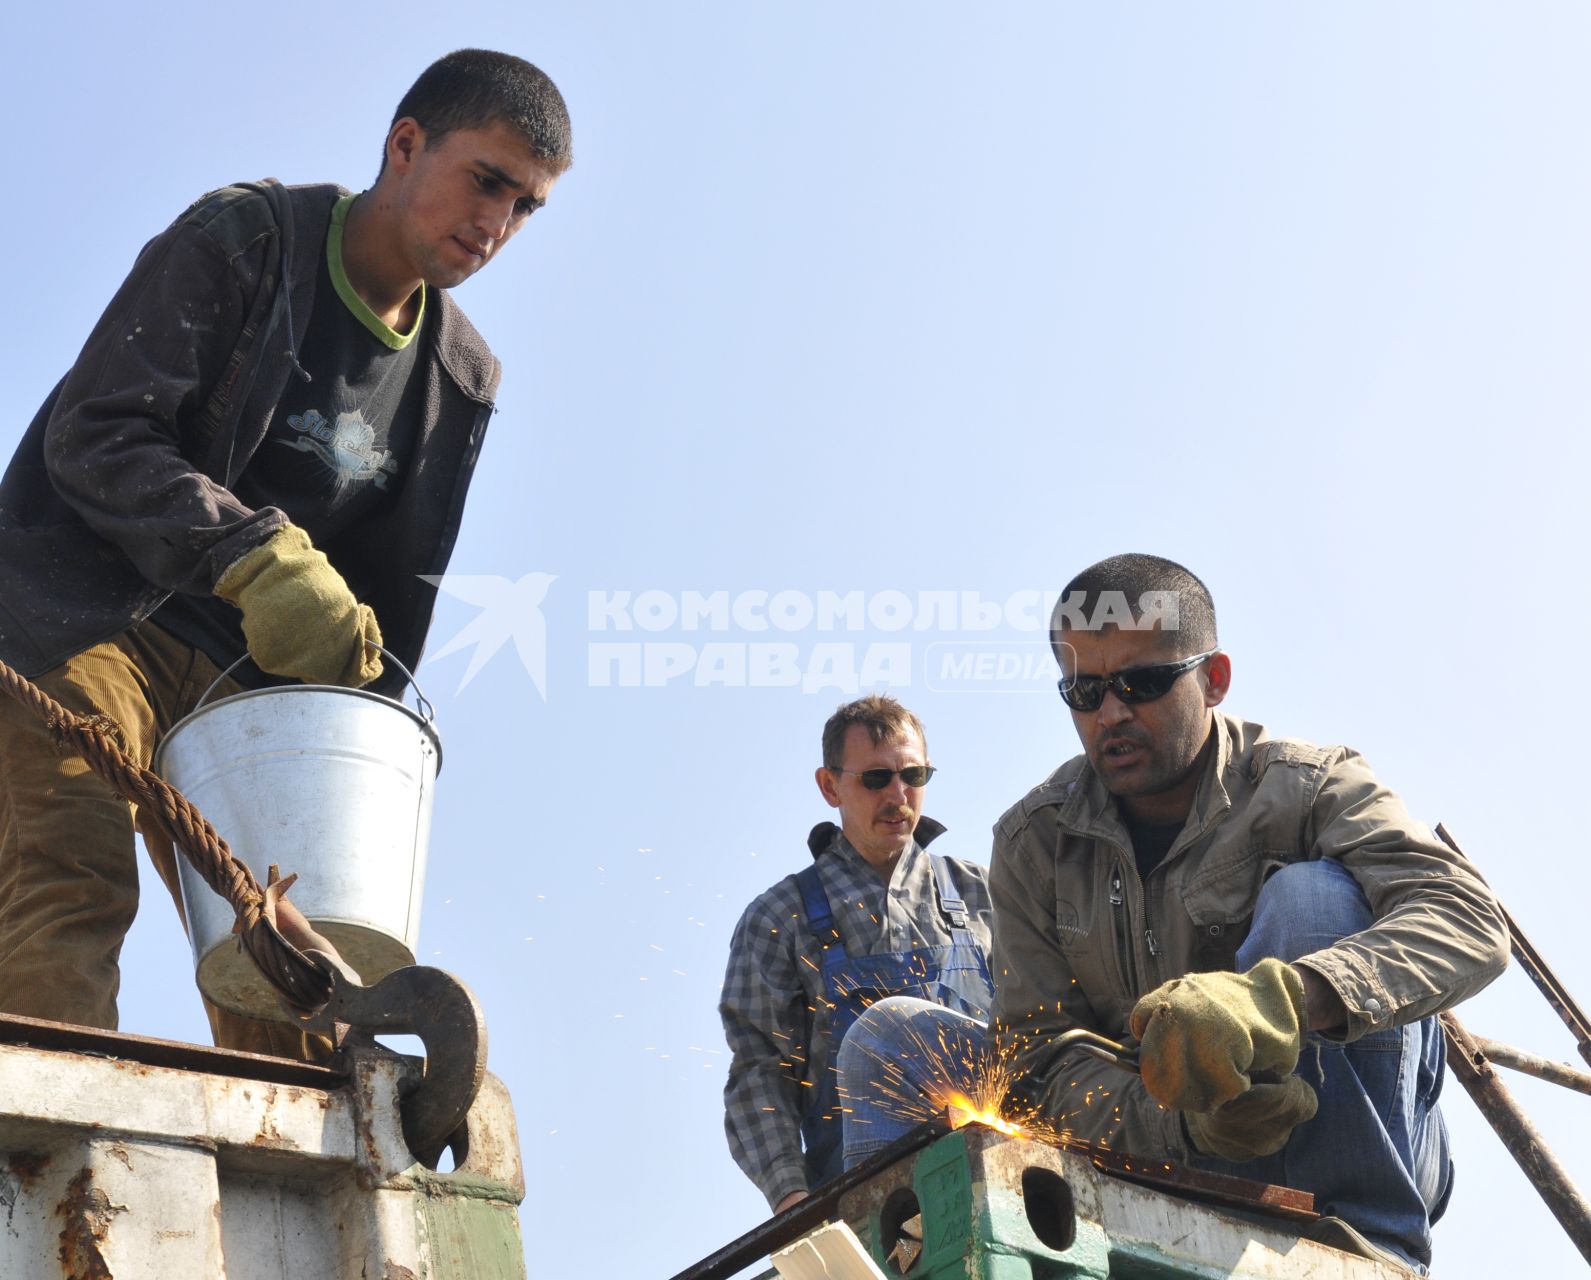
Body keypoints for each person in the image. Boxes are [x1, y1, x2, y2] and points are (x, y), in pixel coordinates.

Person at [0, 49, 572, 1058]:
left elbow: (377, 618)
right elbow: (94, 433)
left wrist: (356, 722)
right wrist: (254, 554)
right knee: (69, 881)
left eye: (525, 206)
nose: (497, 223)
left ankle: (322, 1196)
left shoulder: (459, 376)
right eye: (486, 180)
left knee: (301, 972)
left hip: (251, 697)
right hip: (89, 618)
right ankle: (59, 1171)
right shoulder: (247, 240)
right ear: (405, 145)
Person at [836, 555, 1508, 1273]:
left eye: (1142, 683)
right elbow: (1036, 1059)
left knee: (1313, 897)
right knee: (888, 1041)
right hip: (1156, 1137)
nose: (1110, 713)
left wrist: (1283, 1001)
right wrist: (1186, 1126)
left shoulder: (1305, 785)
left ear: (1213, 679)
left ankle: (1366, 1248)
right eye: (1084, 690)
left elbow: (1467, 916)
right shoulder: (1034, 842)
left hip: (1354, 1134)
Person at [719, 695, 995, 1213]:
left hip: (994, 1178)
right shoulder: (780, 918)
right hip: (863, 1206)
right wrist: (793, 1200)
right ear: (830, 786)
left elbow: (1040, 1026)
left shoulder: (979, 893)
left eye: (913, 776)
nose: (898, 794)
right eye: (875, 779)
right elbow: (761, 1074)